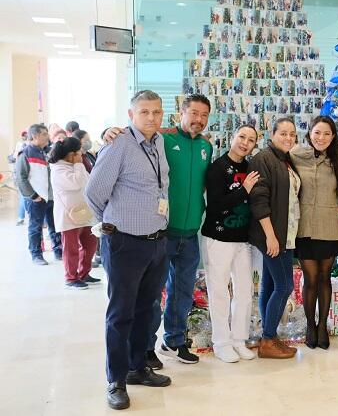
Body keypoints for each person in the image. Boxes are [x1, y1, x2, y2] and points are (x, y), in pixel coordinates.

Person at [103, 94, 213, 368]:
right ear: (181, 112)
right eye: (194, 113)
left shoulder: (206, 147)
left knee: (183, 291)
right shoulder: (163, 139)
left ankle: (174, 340)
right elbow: (135, 134)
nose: (198, 120)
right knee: (151, 298)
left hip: (189, 233)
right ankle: (145, 348)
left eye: (204, 116)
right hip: (160, 232)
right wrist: (107, 131)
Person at [85, 90, 172, 411]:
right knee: (121, 313)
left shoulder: (159, 142)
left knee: (147, 309)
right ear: (131, 114)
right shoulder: (119, 144)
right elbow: (94, 191)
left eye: (157, 112)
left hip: (157, 240)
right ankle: (116, 379)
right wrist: (109, 223)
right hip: (124, 242)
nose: (152, 118)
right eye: (145, 112)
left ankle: (138, 368)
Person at [202, 125, 260, 363]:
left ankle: (238, 339)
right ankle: (221, 342)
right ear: (233, 137)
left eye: (251, 140)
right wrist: (244, 189)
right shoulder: (217, 168)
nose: (245, 142)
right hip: (219, 238)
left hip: (242, 240)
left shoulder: (250, 168)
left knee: (245, 291)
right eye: (242, 137)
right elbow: (216, 204)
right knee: (219, 292)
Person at [290, 116, 338, 350]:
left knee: (325, 277)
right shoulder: (295, 156)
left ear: (333, 136)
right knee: (310, 278)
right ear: (309, 133)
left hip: (330, 225)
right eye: (317, 133)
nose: (321, 138)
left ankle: (323, 325)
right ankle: (310, 325)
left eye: (326, 134)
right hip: (304, 226)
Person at [248, 117, 301, 359]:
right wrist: (270, 236)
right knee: (285, 286)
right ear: (272, 135)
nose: (288, 138)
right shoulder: (264, 158)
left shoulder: (285, 159)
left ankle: (270, 336)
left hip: (285, 233)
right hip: (274, 234)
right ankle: (268, 340)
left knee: (270, 285)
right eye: (283, 133)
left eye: (292, 134)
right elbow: (258, 199)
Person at [50, 136, 99, 289]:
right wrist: (79, 165)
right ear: (71, 154)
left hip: (84, 213)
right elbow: (77, 183)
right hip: (69, 216)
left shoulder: (77, 165)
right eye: (78, 152)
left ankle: (84, 273)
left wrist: (79, 165)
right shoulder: (58, 169)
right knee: (71, 249)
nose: (81, 155)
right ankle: (71, 277)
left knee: (90, 244)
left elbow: (88, 181)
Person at [15, 123, 63, 264]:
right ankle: (36, 255)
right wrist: (33, 196)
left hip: (51, 197)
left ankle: (58, 251)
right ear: (35, 136)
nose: (47, 136)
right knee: (36, 228)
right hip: (36, 199)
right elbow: (21, 178)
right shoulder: (25, 154)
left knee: (55, 226)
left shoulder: (46, 152)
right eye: (44, 134)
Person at [11, 130, 27, 225]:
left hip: (20, 175)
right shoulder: (21, 145)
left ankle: (21, 218)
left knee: (23, 197)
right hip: (21, 176)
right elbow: (13, 158)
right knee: (23, 196)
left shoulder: (19, 145)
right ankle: (21, 217)